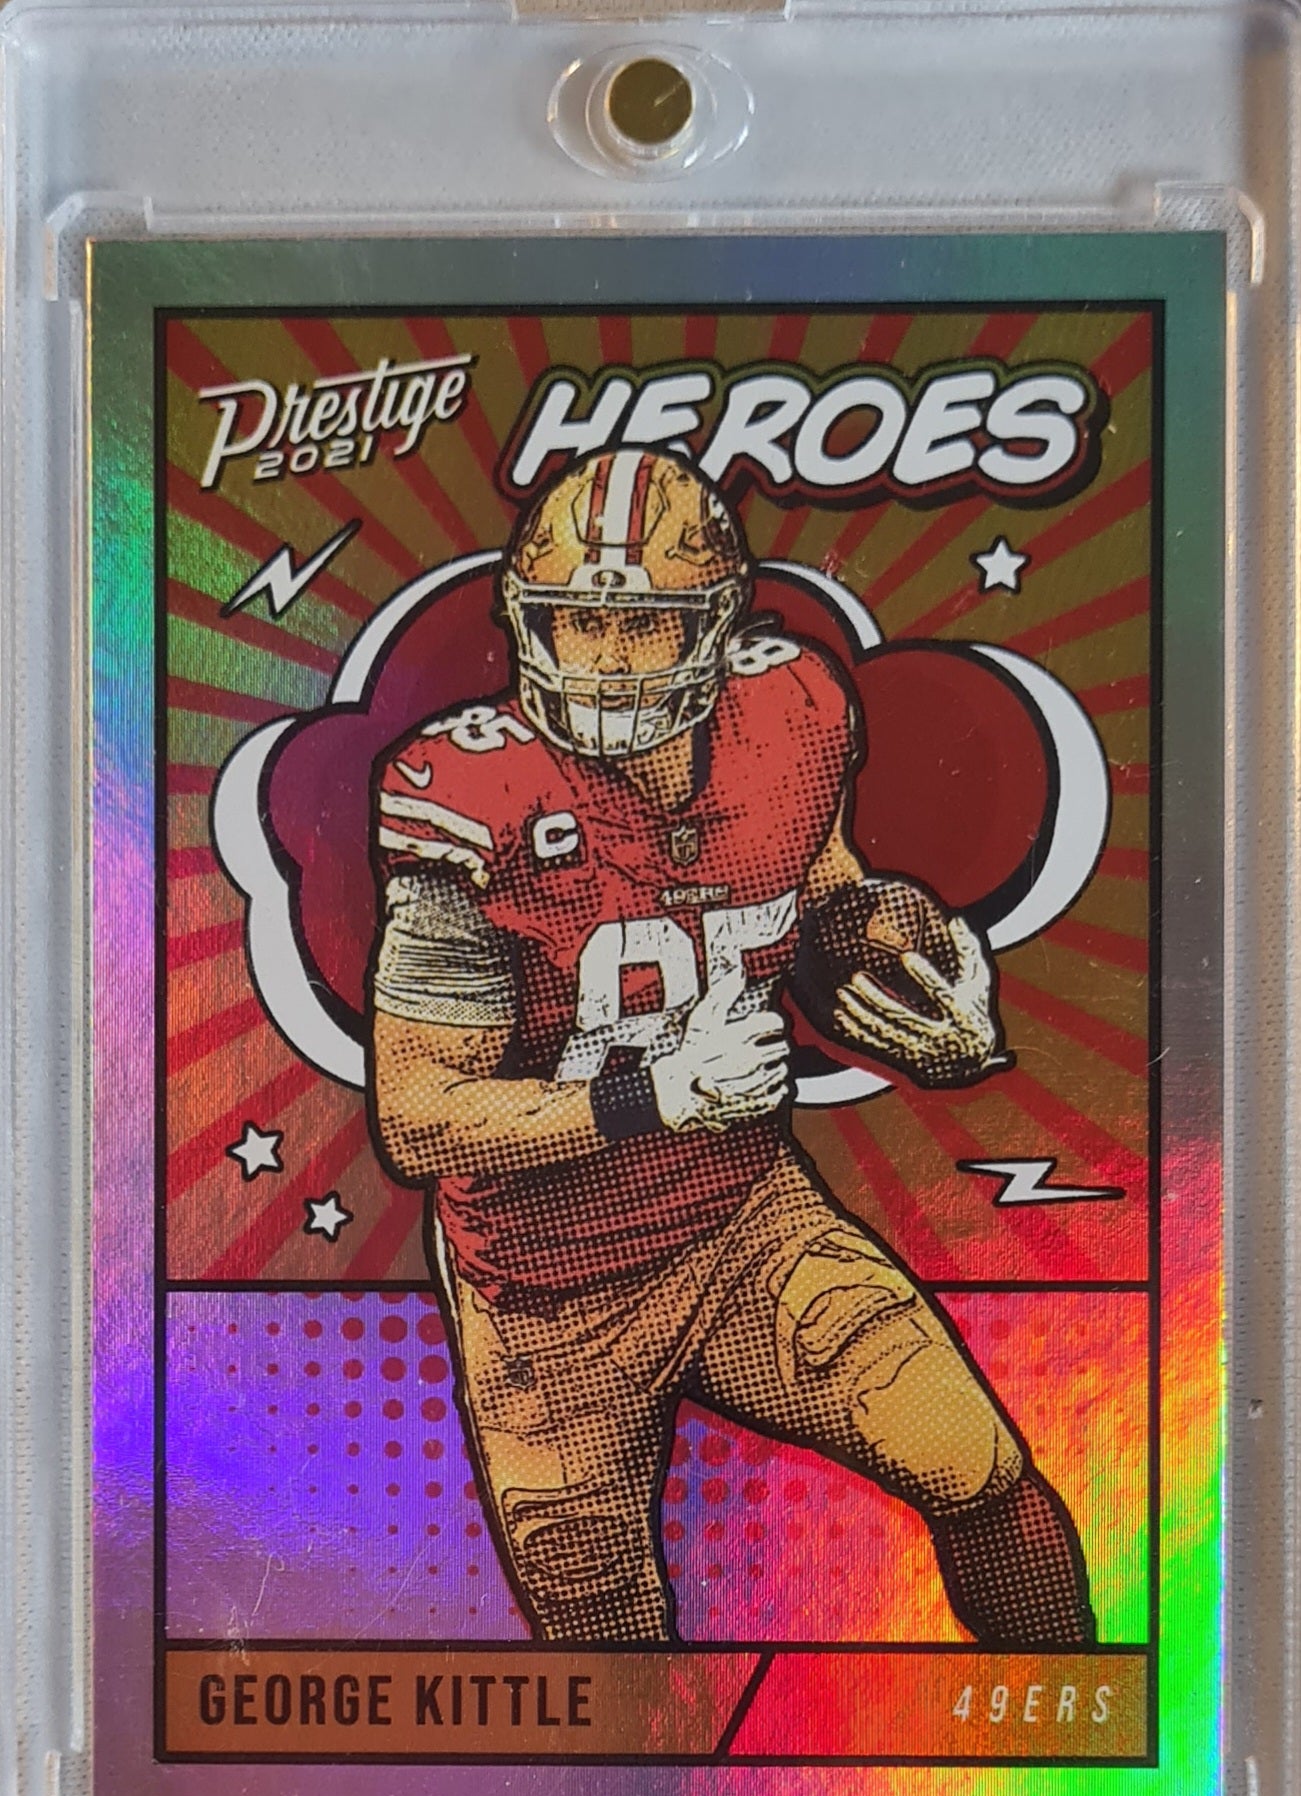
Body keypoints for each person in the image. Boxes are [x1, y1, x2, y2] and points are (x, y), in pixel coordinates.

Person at [367, 445, 1095, 1649]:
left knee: (975, 1467)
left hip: (742, 1218)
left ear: (713, 626)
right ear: (525, 620)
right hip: (548, 1297)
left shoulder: (790, 713)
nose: (605, 660)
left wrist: (906, 961)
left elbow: (819, 896)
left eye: (642, 625)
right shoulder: (474, 803)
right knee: (606, 1648)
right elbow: (417, 1114)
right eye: (576, 621)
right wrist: (646, 1095)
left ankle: (1083, 1721)